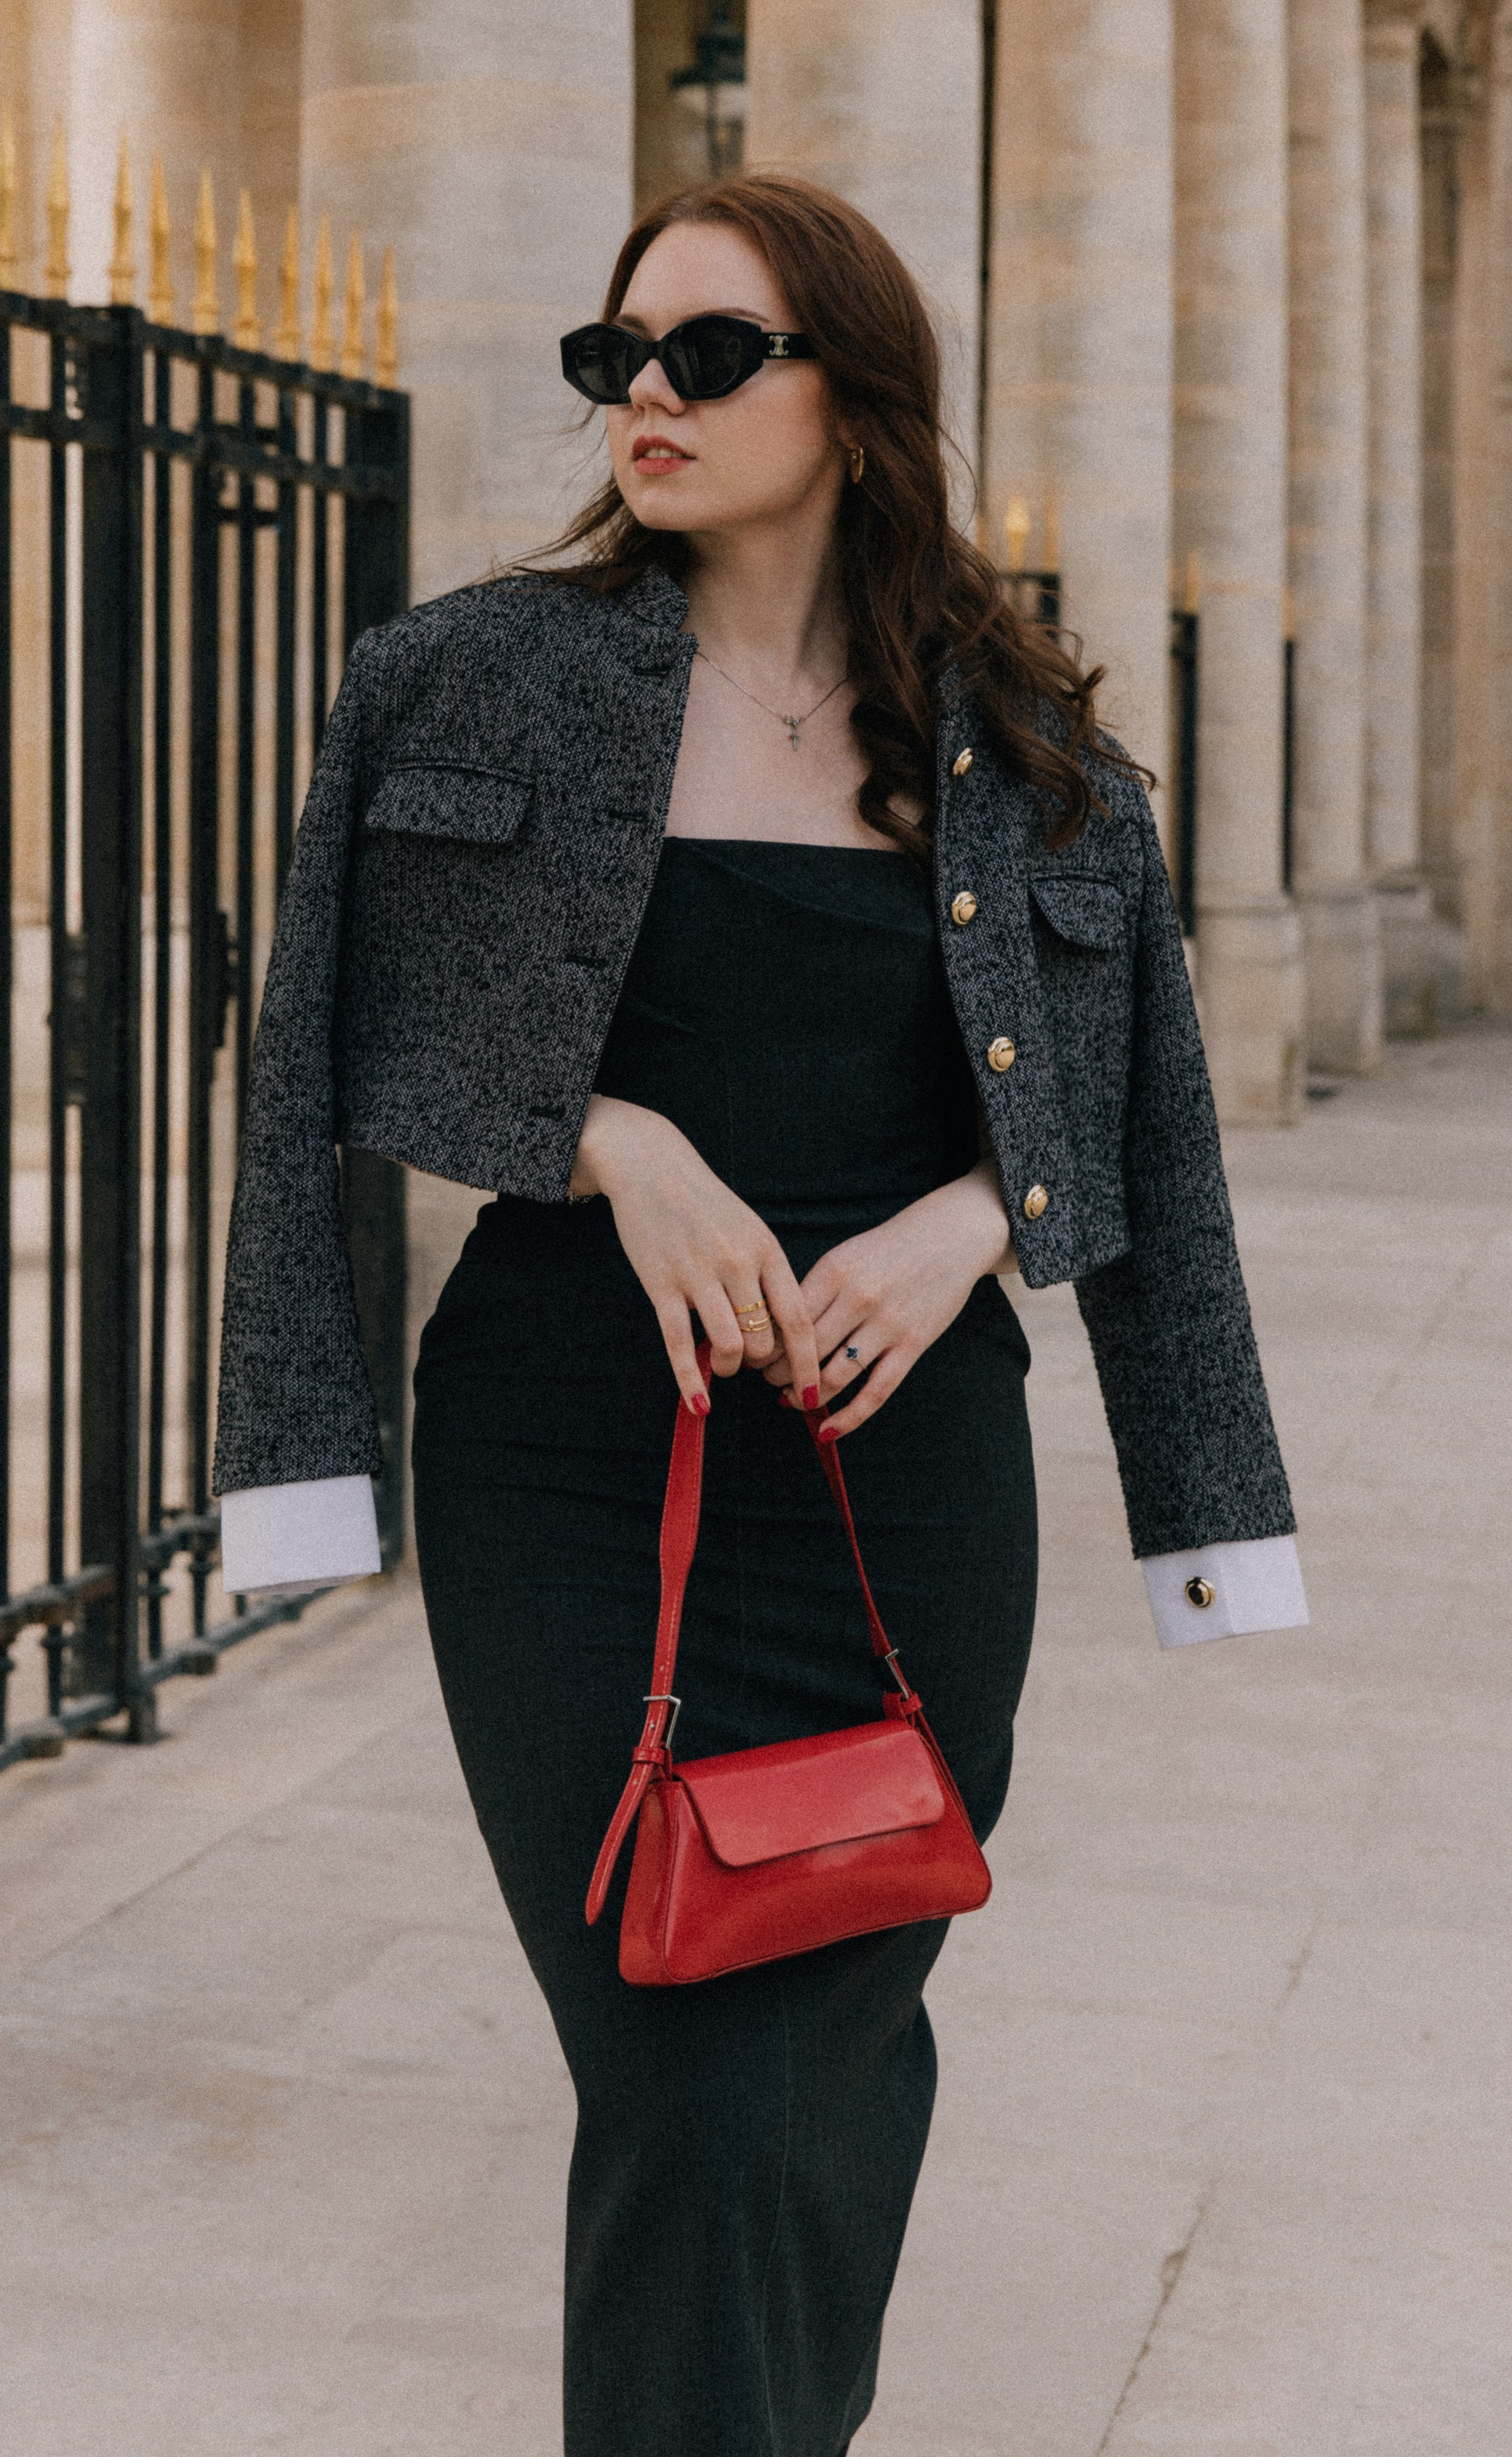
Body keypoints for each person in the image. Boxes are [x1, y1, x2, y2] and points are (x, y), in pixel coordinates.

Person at [211, 172, 1307, 2457]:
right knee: (690, 2063)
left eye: (712, 354)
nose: (650, 398)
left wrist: (975, 1228)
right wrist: (615, 1141)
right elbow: (328, 1037)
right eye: (619, 356)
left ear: (855, 395)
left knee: (820, 2065)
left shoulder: (1033, 740)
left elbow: (1145, 1132)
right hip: (569, 1475)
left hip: (905, 1490)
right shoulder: (460, 672)